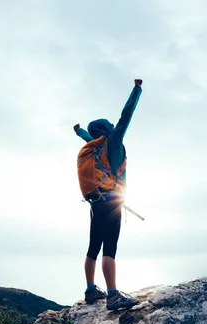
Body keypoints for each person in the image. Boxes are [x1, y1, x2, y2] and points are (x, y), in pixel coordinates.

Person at [73, 79, 143, 310]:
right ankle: (113, 295)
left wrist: (79, 131)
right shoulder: (113, 141)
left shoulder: (94, 146)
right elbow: (126, 116)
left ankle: (91, 289)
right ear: (107, 130)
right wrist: (136, 90)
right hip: (112, 201)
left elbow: (86, 137)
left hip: (95, 202)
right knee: (109, 248)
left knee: (93, 247)